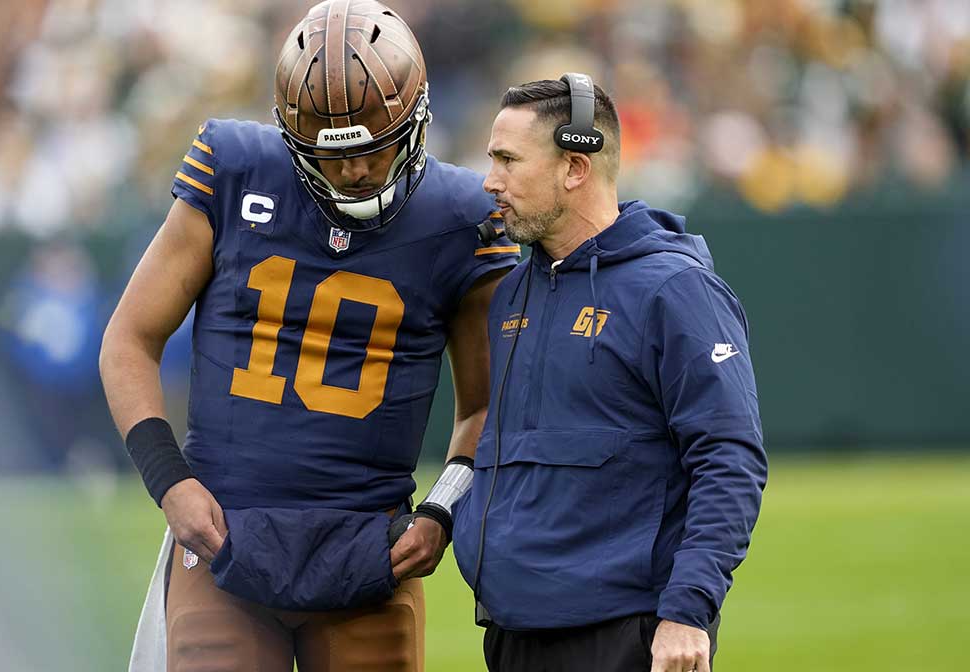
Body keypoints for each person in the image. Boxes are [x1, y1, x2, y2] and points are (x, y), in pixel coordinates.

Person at [99, 2, 519, 670]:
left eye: (374, 151)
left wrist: (442, 511)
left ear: (415, 120)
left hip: (371, 544)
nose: (354, 172)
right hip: (224, 533)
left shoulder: (461, 215)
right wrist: (170, 481)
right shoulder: (234, 169)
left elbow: (490, 402)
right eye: (332, 155)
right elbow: (129, 338)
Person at [451, 73, 768, 672]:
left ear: (575, 167)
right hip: (513, 631)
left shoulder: (676, 289)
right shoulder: (513, 291)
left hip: (627, 635)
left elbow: (730, 457)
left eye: (508, 160)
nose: (490, 180)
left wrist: (689, 610)